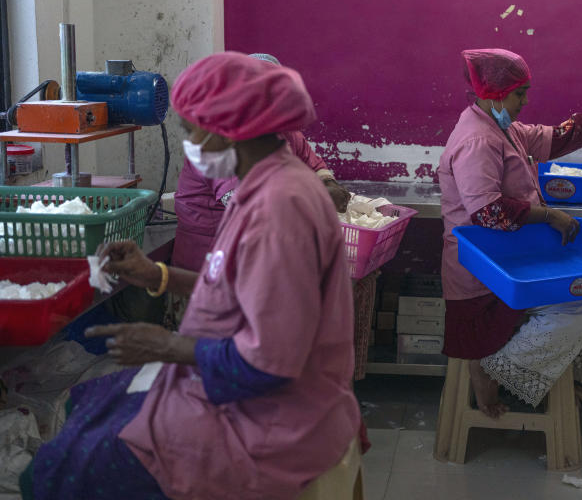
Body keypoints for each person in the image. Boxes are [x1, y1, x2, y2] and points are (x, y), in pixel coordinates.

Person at [20, 53, 361, 500]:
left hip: (271, 417)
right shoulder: (270, 185)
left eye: (194, 130)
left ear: (228, 128)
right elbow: (246, 290)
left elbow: (269, 364)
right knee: (86, 403)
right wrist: (155, 273)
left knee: (62, 467)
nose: (191, 144)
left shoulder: (278, 211)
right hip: (246, 390)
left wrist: (167, 346)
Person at [438, 48, 582, 418]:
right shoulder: (478, 141)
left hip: (515, 255)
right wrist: (549, 216)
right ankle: (492, 372)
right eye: (519, 93)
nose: (525, 102)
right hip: (486, 268)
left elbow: (562, 138)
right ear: (495, 92)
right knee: (580, 310)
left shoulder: (504, 129)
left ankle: (548, 371)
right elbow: (488, 212)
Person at [172, 52, 350, 273]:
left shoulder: (283, 137)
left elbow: (311, 164)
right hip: (207, 252)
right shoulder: (222, 152)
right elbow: (251, 209)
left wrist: (328, 185)